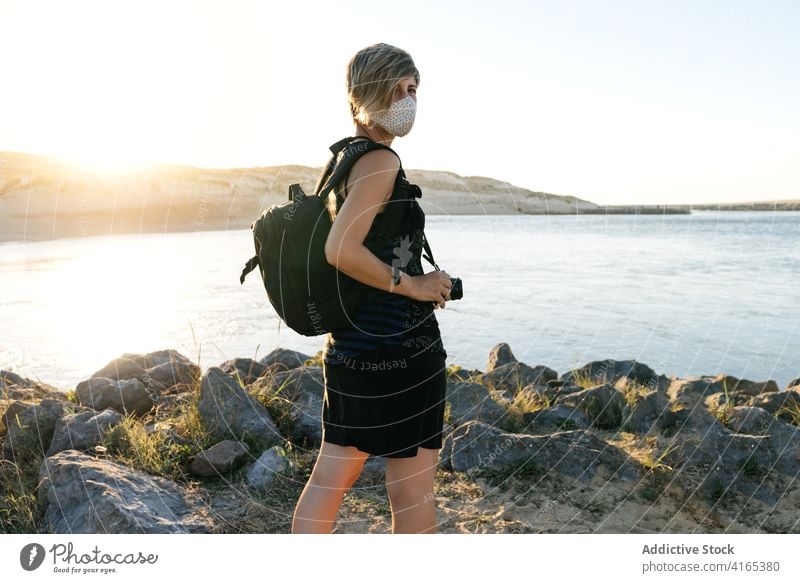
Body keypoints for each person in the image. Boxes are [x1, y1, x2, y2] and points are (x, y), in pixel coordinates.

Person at [292, 43, 452, 534]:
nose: (411, 100)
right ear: (372, 91)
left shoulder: (343, 160)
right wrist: (417, 286)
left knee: (331, 480)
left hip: (351, 346)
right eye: (401, 88)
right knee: (411, 493)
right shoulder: (381, 162)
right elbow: (340, 249)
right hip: (400, 350)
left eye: (415, 89)